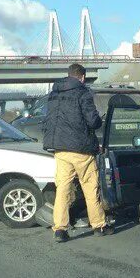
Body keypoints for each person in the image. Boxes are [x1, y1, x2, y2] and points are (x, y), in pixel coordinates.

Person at [43, 63, 113, 243]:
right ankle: (99, 225)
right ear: (82, 77)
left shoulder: (54, 94)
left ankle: (60, 229)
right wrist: (99, 120)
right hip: (81, 149)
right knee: (90, 186)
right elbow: (92, 121)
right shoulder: (83, 93)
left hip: (60, 149)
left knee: (63, 189)